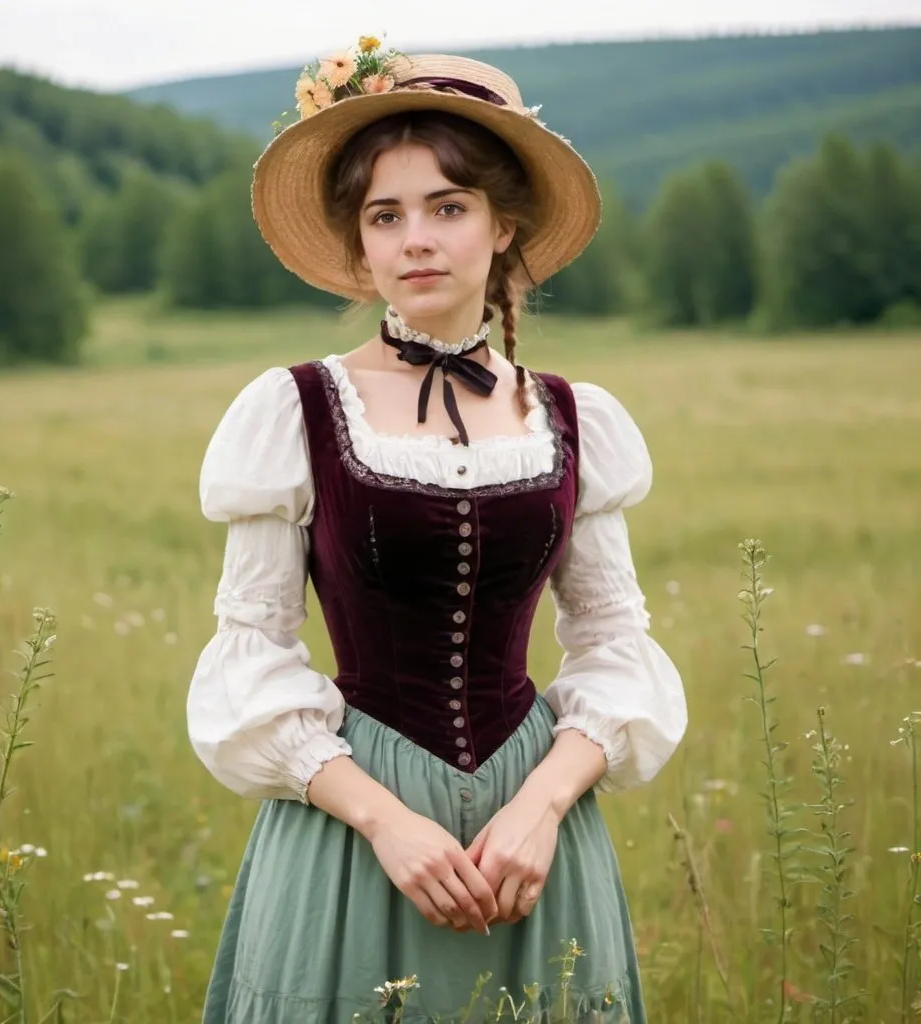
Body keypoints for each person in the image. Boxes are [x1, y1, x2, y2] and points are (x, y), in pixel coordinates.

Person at [187, 43, 687, 1024]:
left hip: (532, 821)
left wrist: (541, 807)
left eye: (447, 207)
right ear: (361, 244)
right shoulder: (292, 410)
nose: (417, 238)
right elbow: (250, 651)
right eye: (386, 215)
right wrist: (386, 823)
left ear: (502, 226)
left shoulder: (573, 416)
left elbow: (615, 644)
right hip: (351, 821)